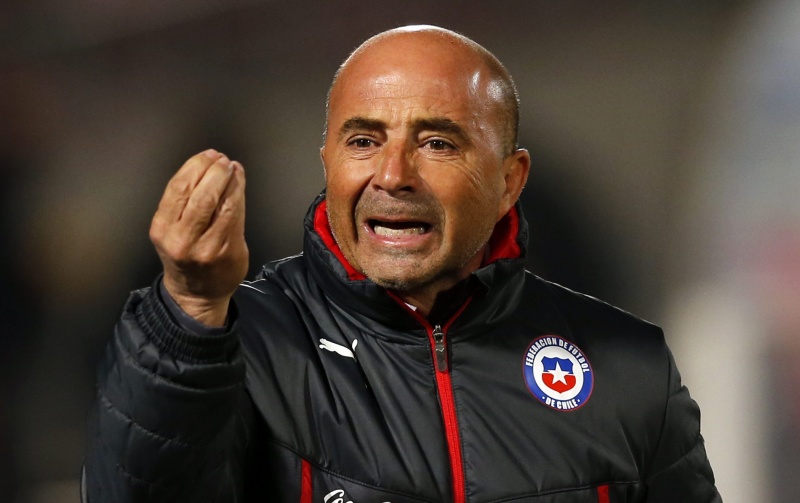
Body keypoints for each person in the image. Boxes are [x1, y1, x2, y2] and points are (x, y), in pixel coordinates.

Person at [83, 25, 721, 502]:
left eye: (436, 143)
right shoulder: (238, 346)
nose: (392, 175)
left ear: (509, 181)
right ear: (328, 162)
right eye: (363, 141)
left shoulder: (626, 367)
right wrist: (191, 310)